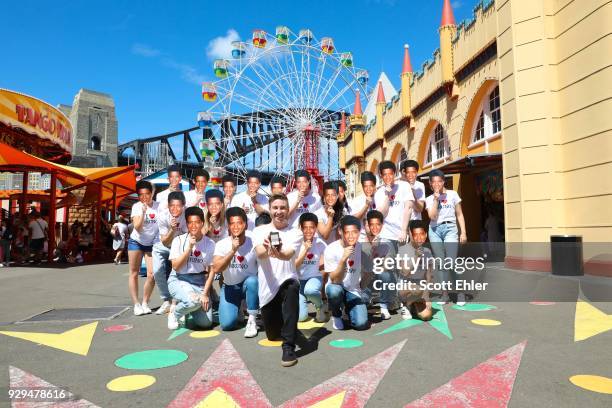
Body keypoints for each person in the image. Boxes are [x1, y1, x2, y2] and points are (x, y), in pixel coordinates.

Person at [253, 194, 302, 367]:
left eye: (282, 208)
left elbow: (288, 254)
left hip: (287, 282)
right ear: (270, 209)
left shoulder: (296, 232)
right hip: (268, 292)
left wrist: (279, 252)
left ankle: (288, 347)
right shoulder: (259, 231)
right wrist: (267, 248)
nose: (279, 211)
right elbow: (259, 253)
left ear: (288, 210)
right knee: (273, 335)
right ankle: (287, 326)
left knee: (292, 286)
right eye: (275, 208)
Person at [167, 207, 216, 330]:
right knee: (192, 302)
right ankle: (175, 313)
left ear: (202, 223)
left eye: (197, 222)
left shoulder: (209, 243)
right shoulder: (178, 240)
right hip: (179, 279)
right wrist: (189, 248)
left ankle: (188, 307)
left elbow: (211, 271)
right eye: (190, 222)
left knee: (206, 323)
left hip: (198, 282)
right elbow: (175, 266)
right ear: (187, 224)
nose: (193, 225)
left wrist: (205, 294)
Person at [213, 207, 259, 337]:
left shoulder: (253, 241)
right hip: (230, 287)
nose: (235, 227)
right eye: (232, 223)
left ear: (245, 224)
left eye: (239, 223)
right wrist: (233, 250)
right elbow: (216, 268)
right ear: (228, 226)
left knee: (253, 281)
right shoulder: (222, 244)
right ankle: (238, 307)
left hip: (249, 286)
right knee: (227, 325)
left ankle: (252, 318)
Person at [425, 169, 468, 306]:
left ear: (443, 181)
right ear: (430, 184)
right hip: (434, 230)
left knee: (451, 262)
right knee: (441, 263)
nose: (437, 184)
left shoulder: (453, 194)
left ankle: (460, 293)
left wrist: (463, 232)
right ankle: (445, 295)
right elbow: (432, 216)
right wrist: (436, 200)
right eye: (434, 182)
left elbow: (459, 214)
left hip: (450, 228)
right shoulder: (429, 199)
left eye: (439, 181)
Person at [324, 215, 368, 331]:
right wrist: (343, 259)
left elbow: (368, 272)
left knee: (361, 324)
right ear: (340, 231)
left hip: (353, 289)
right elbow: (334, 279)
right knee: (334, 291)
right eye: (347, 232)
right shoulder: (331, 248)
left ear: (359, 232)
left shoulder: (362, 248)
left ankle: (347, 308)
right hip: (337, 286)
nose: (351, 236)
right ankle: (336, 314)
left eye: (355, 232)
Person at [153, 191, 187, 317]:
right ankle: (166, 300)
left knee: (176, 272)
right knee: (156, 271)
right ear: (168, 205)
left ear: (183, 206)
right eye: (172, 205)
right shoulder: (162, 216)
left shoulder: (187, 215)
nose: (175, 209)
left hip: (181, 246)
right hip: (165, 244)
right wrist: (172, 230)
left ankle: (176, 300)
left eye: (178, 206)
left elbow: (188, 239)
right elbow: (164, 241)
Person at [128, 180, 160, 316]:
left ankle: (145, 302)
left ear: (152, 193)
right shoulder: (136, 206)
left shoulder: (159, 206)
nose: (144, 197)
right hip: (136, 241)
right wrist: (143, 212)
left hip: (151, 243)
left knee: (152, 274)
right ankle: (136, 304)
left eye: (147, 194)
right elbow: (137, 227)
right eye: (141, 195)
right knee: (134, 272)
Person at [363, 210, 399, 320]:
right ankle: (366, 300)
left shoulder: (387, 242)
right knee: (361, 300)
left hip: (381, 276)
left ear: (382, 225)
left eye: (378, 224)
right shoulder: (361, 242)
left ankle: (384, 306)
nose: (375, 228)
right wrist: (370, 248)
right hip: (366, 279)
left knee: (386, 275)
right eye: (371, 225)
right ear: (367, 225)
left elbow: (388, 266)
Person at [396, 220, 434, 320]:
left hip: (420, 291)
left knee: (427, 316)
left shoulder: (428, 251)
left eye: (422, 234)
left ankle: (413, 304)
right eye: (415, 235)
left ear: (426, 235)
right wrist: (416, 257)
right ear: (410, 234)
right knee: (417, 289)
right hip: (405, 289)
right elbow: (405, 273)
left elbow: (429, 276)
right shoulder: (402, 250)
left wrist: (427, 296)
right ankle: (406, 305)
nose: (419, 238)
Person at [295, 212, 327, 323]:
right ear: (300, 228)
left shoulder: (320, 243)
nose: (309, 231)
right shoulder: (296, 243)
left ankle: (319, 307)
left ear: (316, 228)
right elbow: (294, 266)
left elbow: (329, 260)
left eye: (312, 227)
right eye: (305, 228)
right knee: (301, 318)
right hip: (299, 283)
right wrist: (305, 250)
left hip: (314, 278)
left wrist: (322, 270)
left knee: (310, 290)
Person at [374, 161, 414, 245]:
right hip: (385, 234)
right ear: (381, 176)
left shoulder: (404, 186)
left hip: (401, 233)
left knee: (403, 258)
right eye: (385, 174)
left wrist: (404, 231)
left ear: (394, 174)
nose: (388, 177)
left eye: (390, 174)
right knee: (388, 257)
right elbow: (382, 214)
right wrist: (387, 195)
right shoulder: (379, 193)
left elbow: (409, 208)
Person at [350, 171, 389, 242]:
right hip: (362, 239)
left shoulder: (380, 198)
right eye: (365, 186)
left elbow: (384, 214)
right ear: (362, 186)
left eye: (371, 186)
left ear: (374, 186)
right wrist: (366, 206)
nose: (368, 189)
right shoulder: (356, 200)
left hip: (379, 239)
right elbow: (353, 220)